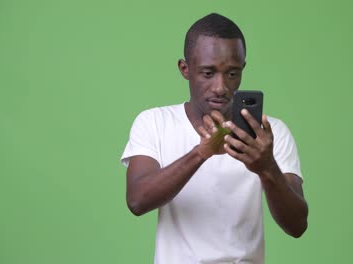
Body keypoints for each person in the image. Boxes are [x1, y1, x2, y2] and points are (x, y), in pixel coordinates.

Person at [121, 13, 308, 264]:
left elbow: (297, 225)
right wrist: (201, 152)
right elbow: (137, 200)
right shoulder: (154, 122)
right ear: (185, 69)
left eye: (232, 74)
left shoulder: (269, 133)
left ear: (243, 68)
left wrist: (267, 168)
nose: (221, 87)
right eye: (208, 73)